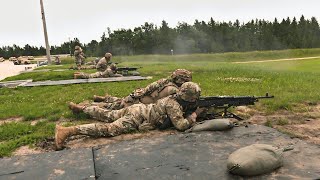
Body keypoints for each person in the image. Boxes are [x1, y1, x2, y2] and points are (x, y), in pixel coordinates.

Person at [55, 82, 205, 150]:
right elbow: (181, 126)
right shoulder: (173, 105)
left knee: (108, 114)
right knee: (110, 129)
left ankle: (82, 108)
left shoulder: (174, 97)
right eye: (194, 98)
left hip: (138, 108)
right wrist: (194, 116)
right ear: (189, 97)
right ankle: (67, 131)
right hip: (137, 117)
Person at [93, 69, 192, 110]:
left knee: (121, 100)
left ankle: (102, 98)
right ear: (181, 80)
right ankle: (91, 105)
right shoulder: (173, 90)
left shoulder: (165, 82)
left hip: (136, 97)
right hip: (136, 105)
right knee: (111, 107)